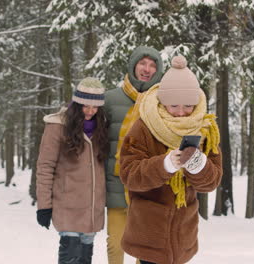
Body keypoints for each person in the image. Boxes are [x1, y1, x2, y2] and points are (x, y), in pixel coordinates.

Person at [119, 55, 223, 264]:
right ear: (163, 101)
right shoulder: (144, 126)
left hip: (183, 234)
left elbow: (211, 182)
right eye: (173, 105)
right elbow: (129, 174)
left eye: (188, 106)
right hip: (149, 232)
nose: (181, 113)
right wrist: (164, 165)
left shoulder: (205, 129)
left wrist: (198, 164)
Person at [35, 77, 108, 264]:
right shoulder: (57, 126)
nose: (90, 111)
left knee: (85, 258)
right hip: (67, 207)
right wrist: (44, 206)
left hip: (92, 209)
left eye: (95, 107)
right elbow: (45, 167)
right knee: (70, 256)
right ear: (76, 104)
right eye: (85, 106)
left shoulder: (102, 127)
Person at [104, 46, 164, 264]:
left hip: (146, 185)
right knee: (115, 244)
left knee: (144, 249)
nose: (146, 69)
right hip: (117, 184)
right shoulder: (110, 99)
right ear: (133, 65)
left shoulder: (161, 103)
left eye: (152, 65)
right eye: (142, 63)